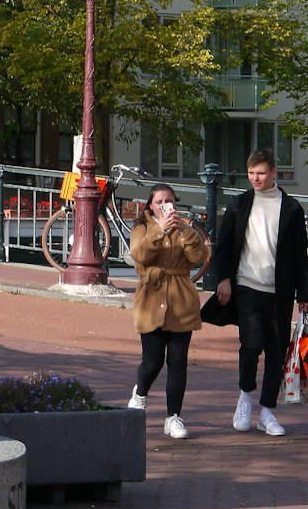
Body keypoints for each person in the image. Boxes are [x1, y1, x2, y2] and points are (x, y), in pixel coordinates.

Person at [213, 149, 308, 436]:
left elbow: (300, 255)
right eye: (251, 172)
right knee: (252, 343)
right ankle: (245, 396)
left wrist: (303, 294)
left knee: (277, 351)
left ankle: (267, 411)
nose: (255, 177)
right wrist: (224, 279)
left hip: (279, 292)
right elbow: (224, 245)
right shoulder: (239, 204)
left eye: (261, 172)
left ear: (274, 173)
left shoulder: (291, 209)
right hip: (247, 287)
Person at [126, 184, 209, 439]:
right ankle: (140, 394)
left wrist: (184, 230)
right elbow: (138, 254)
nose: (165, 204)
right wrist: (160, 230)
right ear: (151, 205)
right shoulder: (142, 228)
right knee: (152, 361)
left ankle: (173, 418)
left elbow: (199, 256)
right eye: (159, 200)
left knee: (177, 363)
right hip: (151, 299)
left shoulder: (185, 228)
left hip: (180, 302)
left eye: (169, 200)